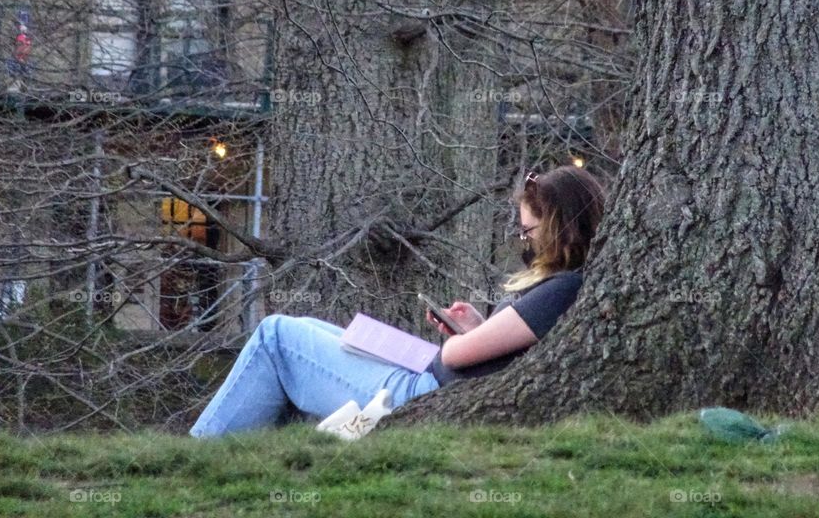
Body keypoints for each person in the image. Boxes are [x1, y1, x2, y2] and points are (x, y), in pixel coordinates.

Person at [188, 165, 606, 438]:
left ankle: (199, 456)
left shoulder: (561, 289)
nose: (525, 241)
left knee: (276, 336)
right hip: (426, 379)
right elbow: (495, 348)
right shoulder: (563, 286)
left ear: (558, 227)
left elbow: (459, 356)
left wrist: (463, 339)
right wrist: (480, 326)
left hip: (418, 395)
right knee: (307, 328)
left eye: (528, 231)